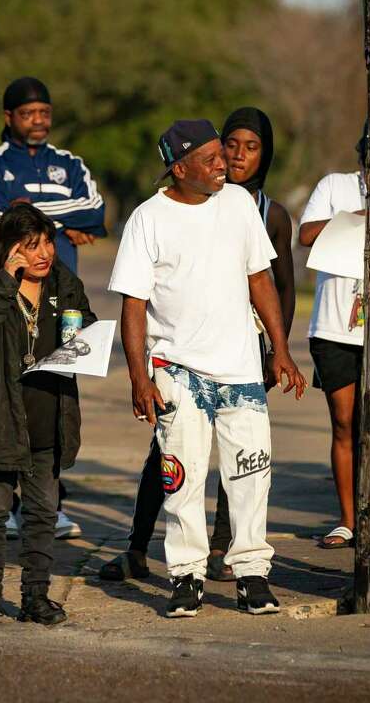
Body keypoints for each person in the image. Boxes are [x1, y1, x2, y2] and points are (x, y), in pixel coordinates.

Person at [108, 119, 306, 618]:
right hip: (177, 370)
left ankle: (252, 575)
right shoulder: (147, 219)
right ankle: (187, 577)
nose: (225, 164)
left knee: (251, 475)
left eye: (224, 155)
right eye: (212, 158)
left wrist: (280, 349)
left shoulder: (239, 204)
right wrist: (138, 378)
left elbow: (260, 278)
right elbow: (133, 305)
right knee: (183, 479)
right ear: (179, 168)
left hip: (240, 369)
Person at [0, 203, 96, 626]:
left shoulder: (63, 283)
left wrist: (86, 333)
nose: (43, 253)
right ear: (10, 248)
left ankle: (35, 598)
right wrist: (5, 283)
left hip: (49, 417)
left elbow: (85, 322)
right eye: (31, 245)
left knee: (42, 513)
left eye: (47, 242)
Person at [0, 76, 106, 539]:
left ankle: (52, 505)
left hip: (58, 300)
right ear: (9, 117)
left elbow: (96, 208)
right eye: (29, 113)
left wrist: (34, 210)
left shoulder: (68, 163)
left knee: (54, 402)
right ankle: (6, 505)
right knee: (7, 401)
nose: (39, 121)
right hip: (10, 299)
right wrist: (64, 223)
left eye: (45, 112)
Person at [297, 134, 368, 550]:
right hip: (334, 328)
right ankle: (347, 519)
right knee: (344, 423)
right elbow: (305, 235)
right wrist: (356, 217)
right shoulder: (335, 186)